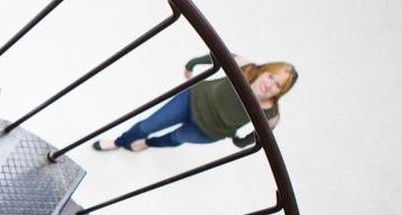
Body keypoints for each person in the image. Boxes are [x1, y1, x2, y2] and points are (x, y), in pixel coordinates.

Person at [93, 54, 297, 151]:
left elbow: (257, 137)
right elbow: (216, 55)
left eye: (278, 85)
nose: (270, 85)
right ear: (264, 70)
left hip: (208, 131)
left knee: (175, 138)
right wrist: (192, 65)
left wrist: (239, 141)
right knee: (148, 124)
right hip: (192, 100)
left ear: (281, 92)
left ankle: (147, 143)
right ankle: (119, 142)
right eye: (271, 76)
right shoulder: (246, 68)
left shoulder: (270, 113)